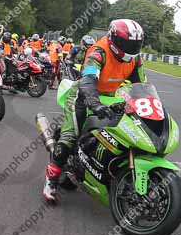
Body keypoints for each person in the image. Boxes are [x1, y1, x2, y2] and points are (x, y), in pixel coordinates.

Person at [42, 19, 146, 203]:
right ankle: (51, 181)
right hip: (82, 95)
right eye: (127, 43)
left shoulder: (135, 58)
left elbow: (140, 85)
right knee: (69, 137)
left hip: (111, 95)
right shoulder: (98, 52)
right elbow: (88, 80)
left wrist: (145, 104)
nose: (131, 47)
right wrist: (95, 104)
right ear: (113, 39)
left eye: (135, 44)